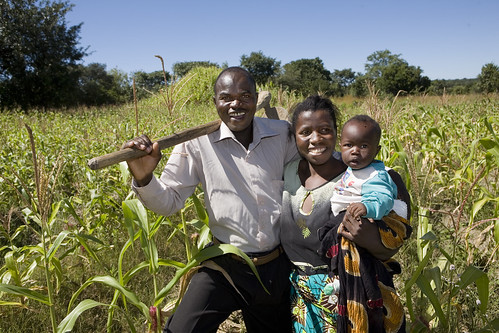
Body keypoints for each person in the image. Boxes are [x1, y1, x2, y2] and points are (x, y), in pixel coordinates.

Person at [123, 67, 298, 332]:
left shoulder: (283, 134)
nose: (236, 104)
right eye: (226, 97)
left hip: (275, 267)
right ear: (215, 102)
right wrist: (145, 177)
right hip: (226, 265)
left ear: (255, 98)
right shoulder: (196, 143)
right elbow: (169, 202)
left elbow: (314, 176)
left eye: (245, 96)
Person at [279, 95, 412, 332]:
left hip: (347, 291)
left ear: (337, 135)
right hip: (300, 294)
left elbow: (392, 241)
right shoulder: (287, 172)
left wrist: (367, 234)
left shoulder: (359, 178)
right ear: (294, 136)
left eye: (325, 130)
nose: (315, 139)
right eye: (305, 132)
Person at [330, 114, 407, 222]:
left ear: (376, 151)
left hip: (361, 219)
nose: (354, 151)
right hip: (341, 216)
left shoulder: (375, 175)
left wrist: (367, 207)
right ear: (340, 146)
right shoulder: (353, 169)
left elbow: (384, 198)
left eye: (363, 146)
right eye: (348, 145)